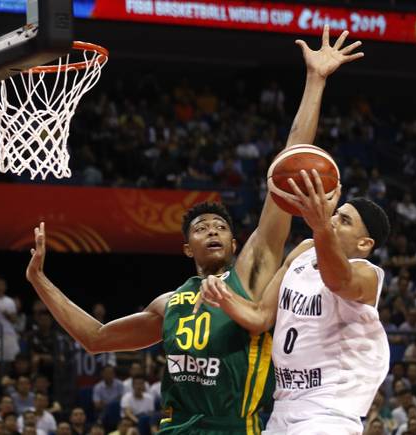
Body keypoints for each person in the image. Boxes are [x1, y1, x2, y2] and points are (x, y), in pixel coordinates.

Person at [25, 24, 364, 435]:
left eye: (220, 226)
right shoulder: (169, 305)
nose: (213, 232)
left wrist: (315, 80)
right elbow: (96, 338)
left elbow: (289, 163)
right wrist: (39, 280)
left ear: (236, 242)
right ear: (188, 248)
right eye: (202, 229)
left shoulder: (251, 276)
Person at [197, 174, 391, 434]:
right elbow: (260, 316)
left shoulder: (368, 275)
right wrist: (223, 296)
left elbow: (338, 281)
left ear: (364, 244)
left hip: (328, 411)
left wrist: (321, 227)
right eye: (336, 214)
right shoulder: (303, 252)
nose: (332, 220)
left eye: (343, 221)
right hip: (284, 406)